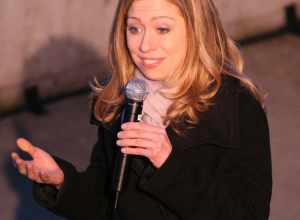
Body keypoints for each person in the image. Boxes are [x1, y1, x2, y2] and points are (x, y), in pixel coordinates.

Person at [11, 0, 273, 219]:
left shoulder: (237, 107)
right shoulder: (120, 100)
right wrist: (62, 181)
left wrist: (167, 163)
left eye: (162, 29)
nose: (144, 46)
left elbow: (247, 214)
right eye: (134, 29)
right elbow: (105, 202)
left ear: (196, 30)